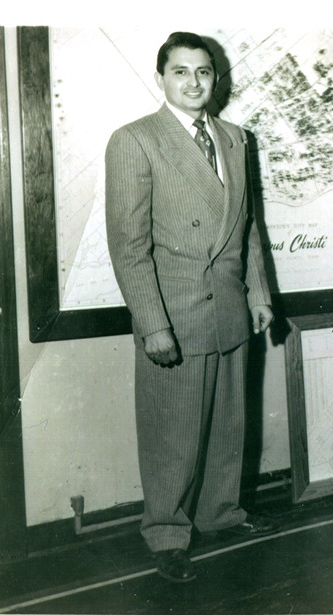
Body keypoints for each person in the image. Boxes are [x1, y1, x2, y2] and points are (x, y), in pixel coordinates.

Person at [106, 32, 277, 582]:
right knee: (172, 435)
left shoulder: (235, 138)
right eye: (181, 71)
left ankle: (222, 513)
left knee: (230, 426)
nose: (194, 82)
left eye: (203, 71)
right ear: (162, 77)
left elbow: (248, 227)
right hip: (174, 313)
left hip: (229, 307)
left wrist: (258, 294)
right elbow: (129, 247)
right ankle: (167, 534)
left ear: (215, 78)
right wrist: (150, 323)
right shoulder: (135, 140)